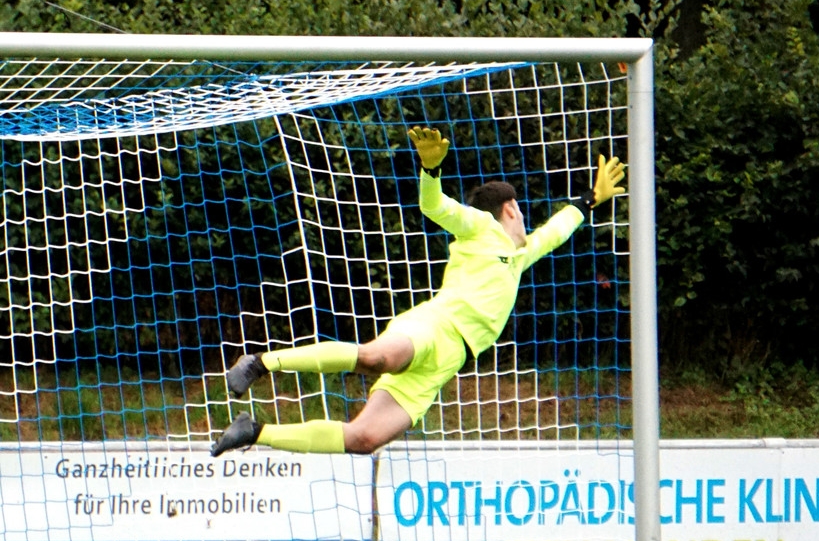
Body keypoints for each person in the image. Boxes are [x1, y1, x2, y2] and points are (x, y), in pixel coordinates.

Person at [209, 126, 626, 458]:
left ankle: (254, 431)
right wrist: (431, 171)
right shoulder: (481, 227)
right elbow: (436, 206)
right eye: (520, 211)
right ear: (511, 209)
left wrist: (590, 199)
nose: (525, 220)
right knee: (378, 357)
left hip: (447, 362)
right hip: (434, 327)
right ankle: (260, 363)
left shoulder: (520, 255)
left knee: (364, 438)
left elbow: (555, 231)